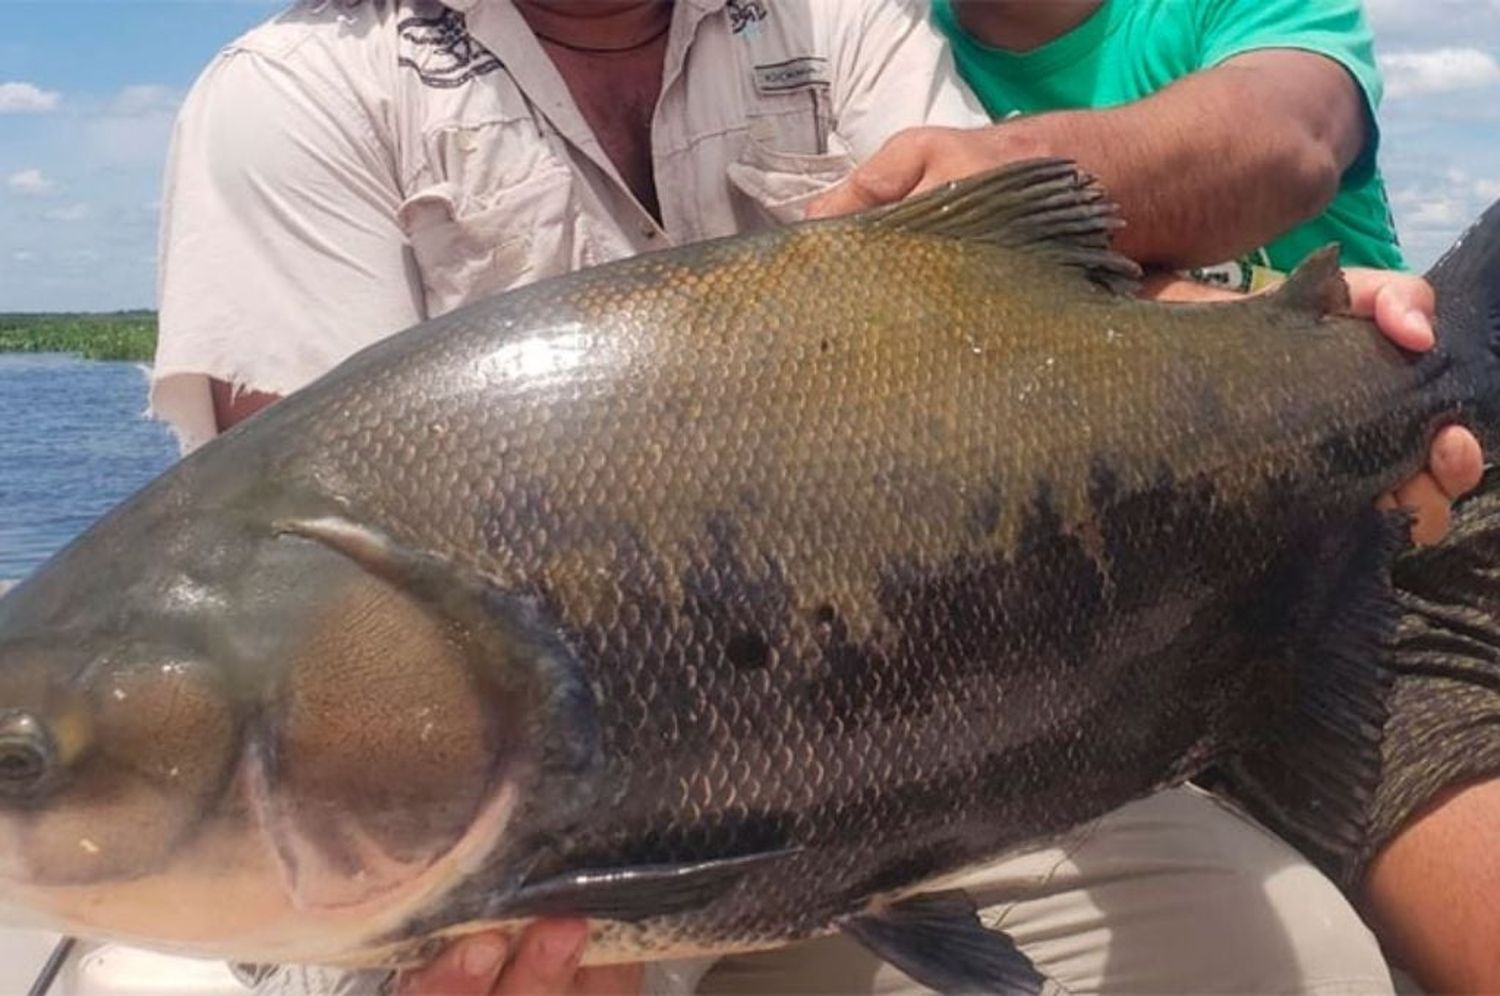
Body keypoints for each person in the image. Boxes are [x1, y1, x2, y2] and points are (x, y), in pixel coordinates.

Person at [147, 2, 1476, 995]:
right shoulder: (300, 92)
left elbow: (1037, 322)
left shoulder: (843, 21)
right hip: (473, 853)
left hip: (886, 758)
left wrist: (1315, 361)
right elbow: (295, 621)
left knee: (1287, 960)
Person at [804, 0, 1496, 990]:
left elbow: (1291, 135)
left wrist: (1010, 168)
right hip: (1217, 595)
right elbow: (1060, 320)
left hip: (1424, 497)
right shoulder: (892, 49)